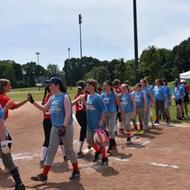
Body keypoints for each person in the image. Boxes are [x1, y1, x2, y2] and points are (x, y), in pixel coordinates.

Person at [29, 76, 80, 183]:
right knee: (51, 149)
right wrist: (32, 102)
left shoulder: (65, 97)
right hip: (55, 127)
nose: (49, 86)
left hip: (65, 127)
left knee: (69, 149)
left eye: (51, 84)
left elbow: (68, 113)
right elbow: (44, 109)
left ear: (57, 85)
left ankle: (76, 170)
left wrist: (64, 126)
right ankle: (44, 174)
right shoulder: (52, 97)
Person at [0, 79, 28, 172]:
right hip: (1, 124)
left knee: (6, 142)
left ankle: (6, 166)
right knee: (6, 142)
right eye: (9, 85)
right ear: (4, 87)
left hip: (1, 123)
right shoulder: (3, 98)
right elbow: (14, 106)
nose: (10, 87)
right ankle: (8, 166)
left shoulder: (3, 97)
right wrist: (27, 100)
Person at [40, 85, 67, 168]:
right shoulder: (52, 97)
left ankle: (42, 160)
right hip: (52, 121)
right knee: (60, 138)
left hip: (45, 121)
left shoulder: (46, 97)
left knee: (47, 139)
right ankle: (65, 156)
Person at [0, 103, 25, 190]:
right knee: (8, 161)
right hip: (3, 137)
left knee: (8, 161)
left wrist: (3, 142)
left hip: (1, 138)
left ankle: (19, 184)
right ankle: (19, 184)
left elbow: (0, 123)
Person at [85, 79, 108, 165]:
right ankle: (98, 151)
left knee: (100, 141)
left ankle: (105, 157)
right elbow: (89, 107)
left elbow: (103, 110)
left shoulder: (98, 97)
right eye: (87, 85)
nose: (87, 87)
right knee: (89, 140)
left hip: (98, 123)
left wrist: (102, 121)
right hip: (90, 123)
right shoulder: (88, 96)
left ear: (93, 86)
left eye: (88, 85)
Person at [72, 80, 87, 157]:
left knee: (84, 130)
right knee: (84, 131)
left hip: (78, 115)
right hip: (84, 114)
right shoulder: (85, 95)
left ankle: (88, 144)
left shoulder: (76, 95)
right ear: (84, 88)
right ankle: (79, 151)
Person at [101, 80, 118, 153]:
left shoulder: (114, 94)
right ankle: (113, 144)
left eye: (106, 85)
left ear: (110, 86)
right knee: (108, 130)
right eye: (104, 85)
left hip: (112, 113)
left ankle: (111, 147)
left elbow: (118, 103)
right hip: (105, 114)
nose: (104, 87)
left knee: (110, 130)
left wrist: (122, 112)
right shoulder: (102, 95)